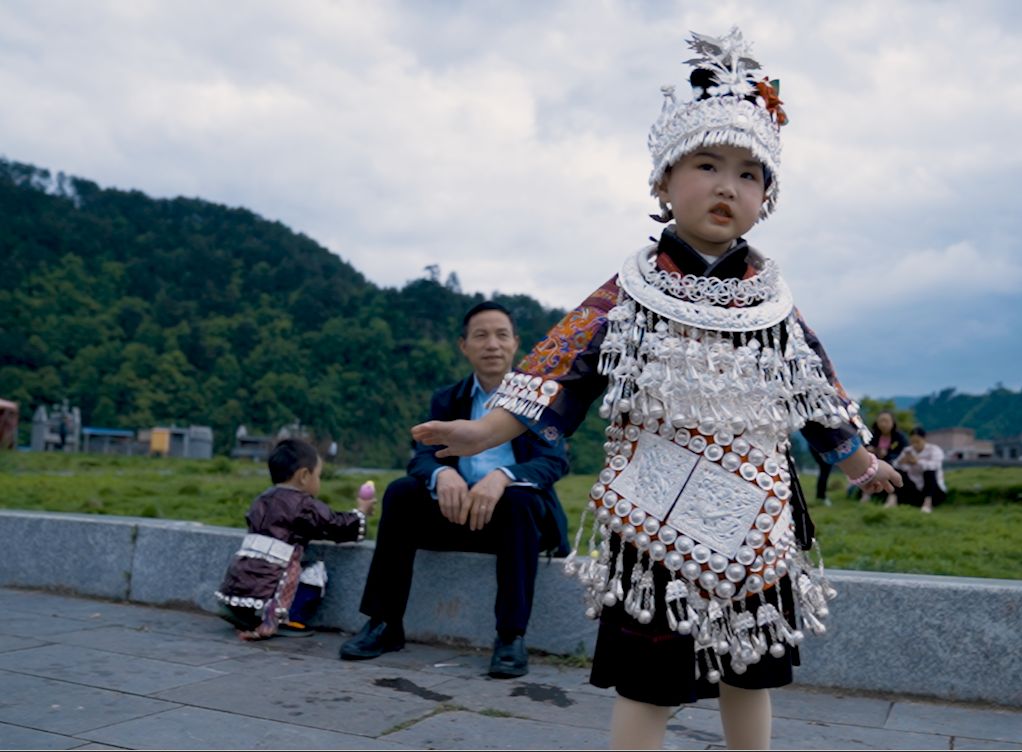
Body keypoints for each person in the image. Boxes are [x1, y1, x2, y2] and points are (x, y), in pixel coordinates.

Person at [412, 29, 902, 750]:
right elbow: (562, 367)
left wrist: (857, 461)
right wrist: (488, 433)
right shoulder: (628, 292)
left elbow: (815, 391)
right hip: (654, 505)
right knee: (650, 675)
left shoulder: (771, 301)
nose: (726, 185)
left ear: (766, 197)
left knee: (751, 664)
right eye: (706, 165)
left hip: (756, 502)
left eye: (747, 173)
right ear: (663, 183)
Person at [338, 302, 570, 679]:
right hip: (458, 513)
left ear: (516, 344)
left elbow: (553, 462)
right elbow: (422, 457)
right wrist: (441, 476)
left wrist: (502, 476)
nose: (492, 344)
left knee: (519, 498)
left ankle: (511, 637)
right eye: (481, 335)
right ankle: (383, 624)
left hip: (516, 520)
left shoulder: (538, 398)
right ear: (464, 346)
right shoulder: (448, 400)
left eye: (501, 335)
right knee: (401, 493)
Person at [215, 439, 373, 639]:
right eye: (318, 475)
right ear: (304, 476)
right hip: (275, 578)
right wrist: (361, 513)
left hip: (240, 578)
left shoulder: (261, 499)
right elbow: (334, 524)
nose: (319, 481)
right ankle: (290, 618)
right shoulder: (303, 505)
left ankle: (242, 611)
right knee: (315, 573)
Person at [886, 426, 946, 513]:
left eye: (917, 442)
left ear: (924, 439)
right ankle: (892, 499)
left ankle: (927, 502)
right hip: (914, 487)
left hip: (934, 490)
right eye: (912, 442)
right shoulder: (907, 451)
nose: (915, 445)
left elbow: (934, 466)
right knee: (897, 471)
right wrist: (902, 462)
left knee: (929, 471)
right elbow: (896, 464)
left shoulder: (934, 450)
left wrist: (917, 462)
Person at [860, 411, 908, 502]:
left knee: (894, 470)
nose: (883, 424)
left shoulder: (899, 437)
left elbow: (903, 452)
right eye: (881, 421)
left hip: (894, 463)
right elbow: (864, 447)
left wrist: (887, 454)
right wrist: (871, 450)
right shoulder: (872, 435)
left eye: (886, 421)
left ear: (893, 422)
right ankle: (866, 494)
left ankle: (892, 497)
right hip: (874, 462)